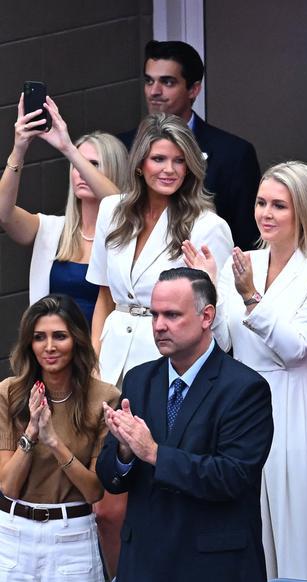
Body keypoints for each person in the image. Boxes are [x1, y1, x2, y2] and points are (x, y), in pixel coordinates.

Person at [96, 267, 273, 582]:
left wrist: (154, 453)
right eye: (155, 314)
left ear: (207, 317)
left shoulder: (244, 388)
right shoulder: (140, 380)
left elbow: (233, 477)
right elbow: (110, 474)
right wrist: (125, 453)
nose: (159, 325)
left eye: (172, 315)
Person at [183, 161, 307, 582]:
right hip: (244, 410)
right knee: (251, 541)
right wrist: (209, 288)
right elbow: (223, 342)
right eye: (261, 203)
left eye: (279, 205)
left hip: (298, 408)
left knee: (302, 544)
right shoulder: (246, 260)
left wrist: (250, 295)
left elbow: (294, 349)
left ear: (304, 212)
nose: (265, 213)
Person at [0, 295, 120, 582]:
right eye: (39, 337)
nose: (49, 346)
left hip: (71, 535)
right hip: (14, 536)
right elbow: (6, 485)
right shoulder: (10, 393)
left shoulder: (104, 398)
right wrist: (32, 434)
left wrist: (54, 442)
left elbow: (95, 490)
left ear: (77, 341)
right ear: (29, 343)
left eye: (59, 336)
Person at [88, 112, 234, 386]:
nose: (170, 169)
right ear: (140, 164)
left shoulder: (208, 226)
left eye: (179, 161)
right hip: (108, 364)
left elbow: (220, 330)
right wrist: (93, 360)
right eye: (159, 159)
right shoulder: (111, 210)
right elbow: (104, 296)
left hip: (169, 367)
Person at [118, 40, 261, 250]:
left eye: (167, 82)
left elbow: (247, 240)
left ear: (194, 89)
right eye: (149, 81)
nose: (154, 91)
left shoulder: (234, 153)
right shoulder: (123, 146)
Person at [1, 95, 127, 321]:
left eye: (93, 164)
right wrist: (19, 149)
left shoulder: (127, 233)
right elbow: (4, 212)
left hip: (108, 352)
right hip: (55, 352)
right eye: (76, 164)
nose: (80, 170)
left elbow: (122, 208)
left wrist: (69, 149)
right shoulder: (51, 230)